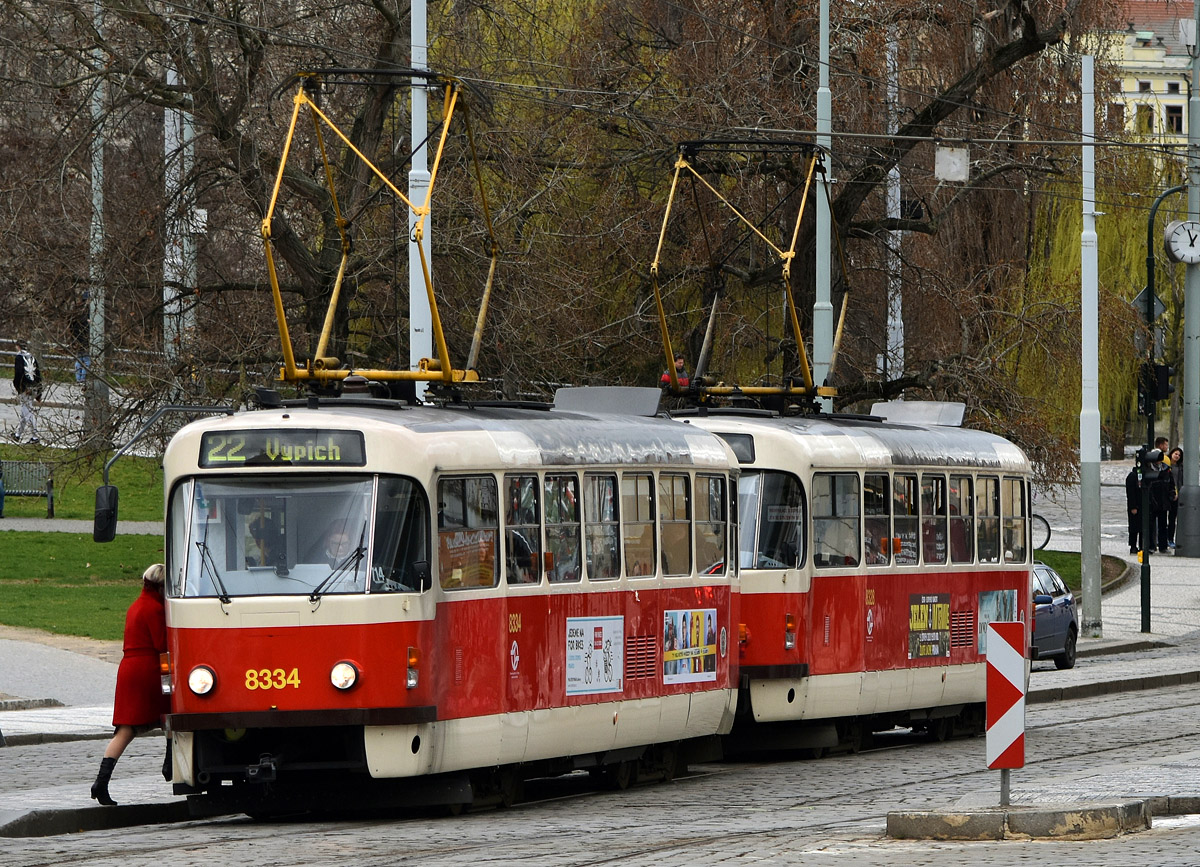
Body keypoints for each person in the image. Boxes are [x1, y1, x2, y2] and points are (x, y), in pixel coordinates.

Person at [90, 563, 170, 806]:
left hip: (128, 669)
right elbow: (161, 644)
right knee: (171, 715)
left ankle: (101, 782)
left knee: (126, 730)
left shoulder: (136, 605)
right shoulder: (154, 608)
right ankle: (171, 764)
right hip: (148, 670)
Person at [12, 339, 42, 444]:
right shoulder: (32, 357)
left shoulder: (19, 358)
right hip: (34, 387)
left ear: (18, 347)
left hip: (25, 388)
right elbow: (38, 374)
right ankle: (17, 434)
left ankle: (35, 436)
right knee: (25, 411)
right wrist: (39, 391)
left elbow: (19, 373)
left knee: (28, 413)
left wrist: (18, 387)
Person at [1149, 449, 1176, 554]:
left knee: (1163, 525)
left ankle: (1163, 546)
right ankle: (1151, 545)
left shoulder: (1166, 470)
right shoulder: (1148, 469)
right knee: (1151, 525)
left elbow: (1171, 484)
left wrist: (1171, 494)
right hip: (1152, 501)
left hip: (1164, 501)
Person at [1167, 446, 1184, 549]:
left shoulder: (1180, 467)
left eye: (1179, 455)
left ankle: (1170, 538)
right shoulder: (1167, 465)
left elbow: (1180, 481)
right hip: (1167, 493)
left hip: (1177, 494)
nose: (1177, 456)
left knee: (1172, 518)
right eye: (1175, 454)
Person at [1126, 464, 1142, 555]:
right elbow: (1130, 493)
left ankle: (1141, 545)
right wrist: (1133, 506)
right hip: (1135, 506)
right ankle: (1133, 545)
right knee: (1134, 527)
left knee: (1142, 527)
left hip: (1143, 505)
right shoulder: (1132, 476)